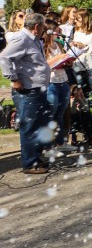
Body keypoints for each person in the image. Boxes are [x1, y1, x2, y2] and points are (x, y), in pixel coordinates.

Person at [0, 13, 53, 173]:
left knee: (38, 124)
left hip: (38, 89)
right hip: (27, 91)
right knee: (29, 126)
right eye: (43, 25)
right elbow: (4, 57)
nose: (45, 28)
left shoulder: (34, 39)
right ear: (37, 26)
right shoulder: (22, 38)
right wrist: (14, 79)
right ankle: (30, 163)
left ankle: (36, 157)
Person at [42, 19, 75, 155]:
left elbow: (63, 60)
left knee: (60, 114)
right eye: (56, 30)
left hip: (63, 81)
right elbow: (45, 65)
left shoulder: (59, 45)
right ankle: (48, 147)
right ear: (49, 31)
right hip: (51, 83)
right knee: (50, 114)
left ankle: (60, 142)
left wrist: (68, 62)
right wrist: (59, 58)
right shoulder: (44, 46)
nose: (59, 32)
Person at [70, 8, 92, 105]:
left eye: (77, 19)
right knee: (82, 94)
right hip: (78, 66)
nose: (75, 21)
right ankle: (86, 116)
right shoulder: (75, 30)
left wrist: (86, 47)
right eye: (75, 19)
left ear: (85, 19)